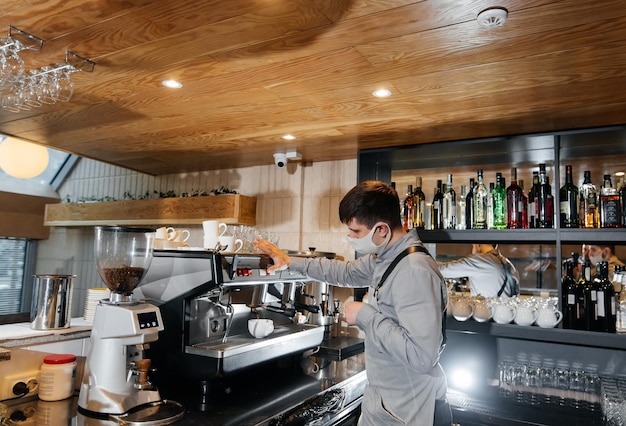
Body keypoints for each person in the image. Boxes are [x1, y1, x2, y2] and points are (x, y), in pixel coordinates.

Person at [254, 180, 451, 426]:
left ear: (382, 229)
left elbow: (422, 356)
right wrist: (289, 261)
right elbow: (345, 272)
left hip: (409, 410)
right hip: (389, 401)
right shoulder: (388, 257)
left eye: (356, 232)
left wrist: (365, 316)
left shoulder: (414, 270)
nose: (350, 237)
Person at [438, 244, 520, 298]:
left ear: (477, 245)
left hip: (486, 319)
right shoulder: (509, 264)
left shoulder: (480, 260)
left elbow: (442, 270)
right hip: (507, 319)